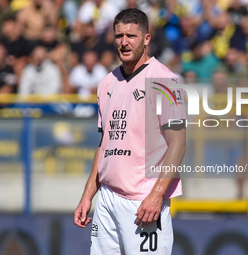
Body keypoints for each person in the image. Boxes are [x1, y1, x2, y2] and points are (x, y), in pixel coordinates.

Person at [74, 8, 186, 255]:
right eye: (119, 35)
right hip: (106, 199)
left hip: (142, 201)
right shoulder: (106, 83)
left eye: (131, 36)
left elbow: (178, 144)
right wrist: (87, 196)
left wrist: (157, 195)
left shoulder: (165, 81)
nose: (124, 42)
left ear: (146, 39)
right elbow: (104, 145)